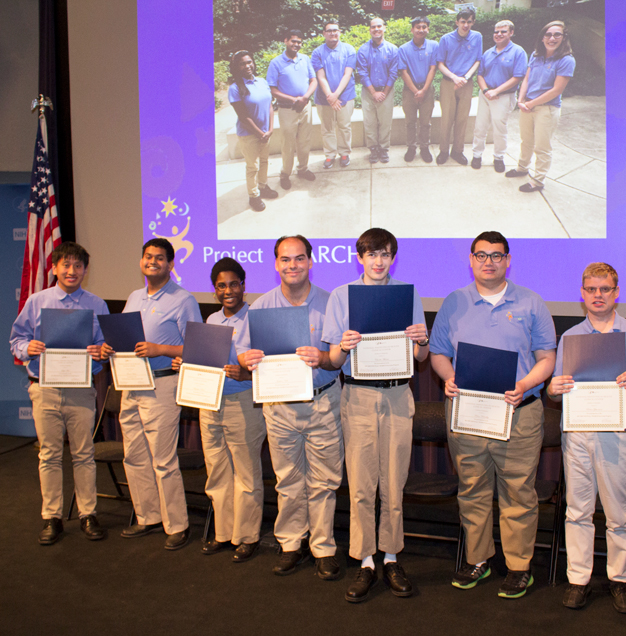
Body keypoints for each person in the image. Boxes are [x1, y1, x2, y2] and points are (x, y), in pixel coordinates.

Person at [430, 231, 556, 599]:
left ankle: (519, 567)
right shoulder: (454, 303)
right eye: (481, 255)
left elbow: (547, 358)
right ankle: (478, 559)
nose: (489, 262)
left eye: (496, 255)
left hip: (518, 411)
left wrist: (525, 384)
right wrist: (448, 377)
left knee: (518, 491)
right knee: (472, 489)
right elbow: (438, 353)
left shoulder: (532, 303)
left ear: (508, 260)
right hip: (468, 412)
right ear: (471, 260)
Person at [547, 263, 626, 614]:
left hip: (618, 430)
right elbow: (555, 390)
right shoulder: (570, 337)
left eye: (605, 289)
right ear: (582, 294)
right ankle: (578, 580)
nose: (598, 296)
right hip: (578, 432)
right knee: (578, 510)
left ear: (617, 293)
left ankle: (620, 579)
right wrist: (553, 388)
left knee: (618, 513)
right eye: (592, 289)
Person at [322, 228, 429, 603]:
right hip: (360, 396)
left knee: (394, 483)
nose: (378, 261)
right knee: (363, 484)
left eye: (385, 254)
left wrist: (422, 341)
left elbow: (420, 358)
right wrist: (342, 346)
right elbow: (334, 360)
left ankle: (392, 556)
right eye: (371, 254)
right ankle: (366, 560)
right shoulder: (341, 296)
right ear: (360, 257)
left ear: (392, 257)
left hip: (398, 394)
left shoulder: (407, 294)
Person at [238, 236, 344, 581]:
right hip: (279, 407)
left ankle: (324, 547)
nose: (292, 266)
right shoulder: (261, 306)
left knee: (324, 481)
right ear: (275, 264)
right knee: (288, 480)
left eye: (299, 259)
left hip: (323, 402)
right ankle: (290, 545)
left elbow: (338, 359)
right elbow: (242, 351)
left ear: (311, 262)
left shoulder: (331, 303)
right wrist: (247, 358)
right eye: (285, 260)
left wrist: (323, 358)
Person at [100, 238, 202, 550]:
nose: (153, 262)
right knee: (134, 456)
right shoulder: (133, 297)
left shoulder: (183, 299)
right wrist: (109, 348)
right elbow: (125, 339)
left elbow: (197, 345)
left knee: (163, 459)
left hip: (162, 384)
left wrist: (161, 349)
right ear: (141, 261)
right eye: (148, 257)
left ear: (171, 264)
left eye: (160, 258)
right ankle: (147, 516)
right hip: (131, 382)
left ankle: (177, 525)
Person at [10, 242, 108, 545]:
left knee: (84, 454)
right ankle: (51, 516)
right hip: (46, 388)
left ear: (85, 271)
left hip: (81, 390)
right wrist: (29, 347)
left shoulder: (96, 304)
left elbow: (106, 347)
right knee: (50, 454)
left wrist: (100, 352)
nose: (71, 271)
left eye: (78, 266)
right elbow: (16, 340)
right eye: (66, 265)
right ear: (54, 268)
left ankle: (87, 513)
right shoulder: (37, 301)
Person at [172, 258, 265, 562]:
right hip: (209, 404)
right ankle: (223, 533)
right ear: (215, 290)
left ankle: (247, 536)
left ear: (244, 285)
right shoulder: (210, 322)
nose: (228, 290)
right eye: (221, 286)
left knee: (246, 473)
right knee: (217, 471)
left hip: (243, 404)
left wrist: (247, 373)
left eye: (234, 284)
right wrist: (185, 364)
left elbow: (271, 365)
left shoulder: (257, 319)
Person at [507, 20, 575, 193]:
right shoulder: (536, 55)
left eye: (557, 34)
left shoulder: (566, 60)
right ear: (543, 37)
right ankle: (522, 168)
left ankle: (538, 181)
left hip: (547, 109)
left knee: (542, 147)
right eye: (548, 34)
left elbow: (556, 90)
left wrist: (530, 103)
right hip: (527, 106)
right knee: (526, 141)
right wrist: (521, 99)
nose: (552, 38)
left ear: (563, 37)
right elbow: (527, 79)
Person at [471, 20, 527, 173]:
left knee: (499, 129)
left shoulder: (518, 52)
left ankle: (499, 157)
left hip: (503, 97)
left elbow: (518, 76)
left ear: (511, 33)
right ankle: (476, 155)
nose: (499, 34)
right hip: (486, 95)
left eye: (503, 31)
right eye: (496, 31)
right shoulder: (488, 52)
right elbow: (480, 75)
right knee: (480, 127)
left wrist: (496, 91)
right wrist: (486, 91)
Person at [266, 30, 318, 190]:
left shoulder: (305, 59)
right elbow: (272, 89)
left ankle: (302, 169)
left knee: (304, 142)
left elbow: (313, 80)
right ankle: (285, 174)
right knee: (287, 144)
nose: (296, 44)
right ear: (285, 41)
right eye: (293, 41)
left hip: (305, 108)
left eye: (299, 42)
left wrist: (305, 98)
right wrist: (294, 100)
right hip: (287, 110)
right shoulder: (276, 63)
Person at [228, 50, 277, 212]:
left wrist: (269, 129)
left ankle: (263, 187)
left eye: (249, 62)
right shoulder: (235, 89)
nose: (247, 66)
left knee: (264, 162)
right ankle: (253, 196)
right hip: (249, 135)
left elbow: (269, 105)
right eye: (242, 63)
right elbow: (242, 116)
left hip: (265, 133)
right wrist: (259, 133)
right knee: (252, 167)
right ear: (236, 67)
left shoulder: (261, 82)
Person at [435, 9, 482, 166]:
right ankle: (443, 151)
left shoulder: (477, 37)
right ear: (457, 22)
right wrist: (454, 77)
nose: (466, 25)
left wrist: (466, 77)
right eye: (463, 21)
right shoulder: (446, 39)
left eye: (469, 21)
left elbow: (477, 60)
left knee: (462, 119)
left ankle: (457, 151)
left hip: (466, 84)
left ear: (473, 22)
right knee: (446, 119)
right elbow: (440, 63)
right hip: (449, 83)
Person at [311, 21, 356, 169]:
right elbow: (321, 77)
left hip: (345, 95)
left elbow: (347, 74)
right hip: (324, 98)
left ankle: (344, 153)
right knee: (327, 127)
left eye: (335, 30)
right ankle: (330, 154)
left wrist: (335, 95)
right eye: (329, 30)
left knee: (344, 126)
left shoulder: (349, 50)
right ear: (323, 33)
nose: (332, 33)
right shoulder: (317, 52)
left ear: (340, 32)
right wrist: (330, 96)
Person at [357, 17, 399, 164]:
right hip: (368, 92)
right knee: (370, 123)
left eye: (379, 26)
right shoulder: (363, 50)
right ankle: (373, 149)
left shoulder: (393, 49)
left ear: (384, 28)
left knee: (385, 123)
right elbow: (362, 73)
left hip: (386, 92)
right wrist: (373, 92)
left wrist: (384, 93)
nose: (376, 29)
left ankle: (384, 149)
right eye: (373, 27)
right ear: (370, 30)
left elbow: (394, 73)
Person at [398, 16, 438, 163]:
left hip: (427, 90)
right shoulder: (403, 49)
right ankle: (411, 147)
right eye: (418, 27)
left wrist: (424, 91)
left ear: (428, 29)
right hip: (410, 91)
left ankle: (425, 148)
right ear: (412, 29)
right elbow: (403, 72)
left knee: (425, 122)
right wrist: (416, 91)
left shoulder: (434, 46)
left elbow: (433, 69)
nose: (421, 30)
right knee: (410, 122)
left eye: (424, 27)